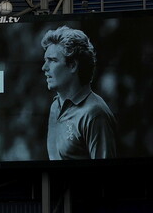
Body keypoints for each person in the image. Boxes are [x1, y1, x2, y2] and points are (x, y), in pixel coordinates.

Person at [41, 25, 116, 160]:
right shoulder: (55, 107)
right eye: (45, 60)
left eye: (52, 60)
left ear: (73, 65)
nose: (44, 67)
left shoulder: (95, 113)